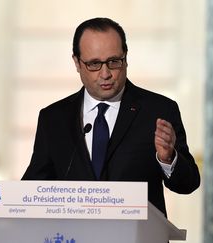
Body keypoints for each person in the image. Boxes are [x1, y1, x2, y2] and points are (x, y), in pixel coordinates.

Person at [21, 17, 200, 216]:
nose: (105, 74)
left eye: (114, 62)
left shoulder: (159, 111)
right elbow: (33, 188)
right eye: (94, 64)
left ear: (126, 57)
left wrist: (168, 158)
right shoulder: (54, 119)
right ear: (77, 62)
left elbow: (188, 184)